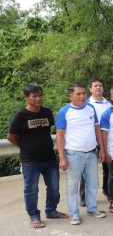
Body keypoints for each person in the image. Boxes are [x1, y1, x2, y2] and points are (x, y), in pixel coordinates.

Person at [7, 84, 68, 229]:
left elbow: (49, 132)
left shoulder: (47, 112)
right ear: (27, 97)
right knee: (31, 190)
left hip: (49, 158)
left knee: (54, 187)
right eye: (34, 96)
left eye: (40, 95)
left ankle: (51, 210)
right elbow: (10, 137)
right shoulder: (20, 116)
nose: (38, 98)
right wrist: (24, 146)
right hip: (30, 161)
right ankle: (34, 216)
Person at [56, 83, 106, 225]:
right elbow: (60, 136)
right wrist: (62, 158)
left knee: (93, 183)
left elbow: (97, 130)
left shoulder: (91, 108)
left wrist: (102, 149)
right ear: (70, 96)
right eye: (78, 94)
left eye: (84, 93)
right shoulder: (64, 111)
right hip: (73, 154)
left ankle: (92, 208)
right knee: (72, 185)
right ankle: (74, 214)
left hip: (91, 153)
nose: (82, 96)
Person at [79, 78, 112, 207]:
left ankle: (108, 190)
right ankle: (83, 196)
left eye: (100, 86)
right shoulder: (86, 104)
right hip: (91, 141)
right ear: (90, 89)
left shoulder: (109, 104)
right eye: (95, 86)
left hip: (106, 140)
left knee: (108, 168)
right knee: (86, 171)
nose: (98, 88)